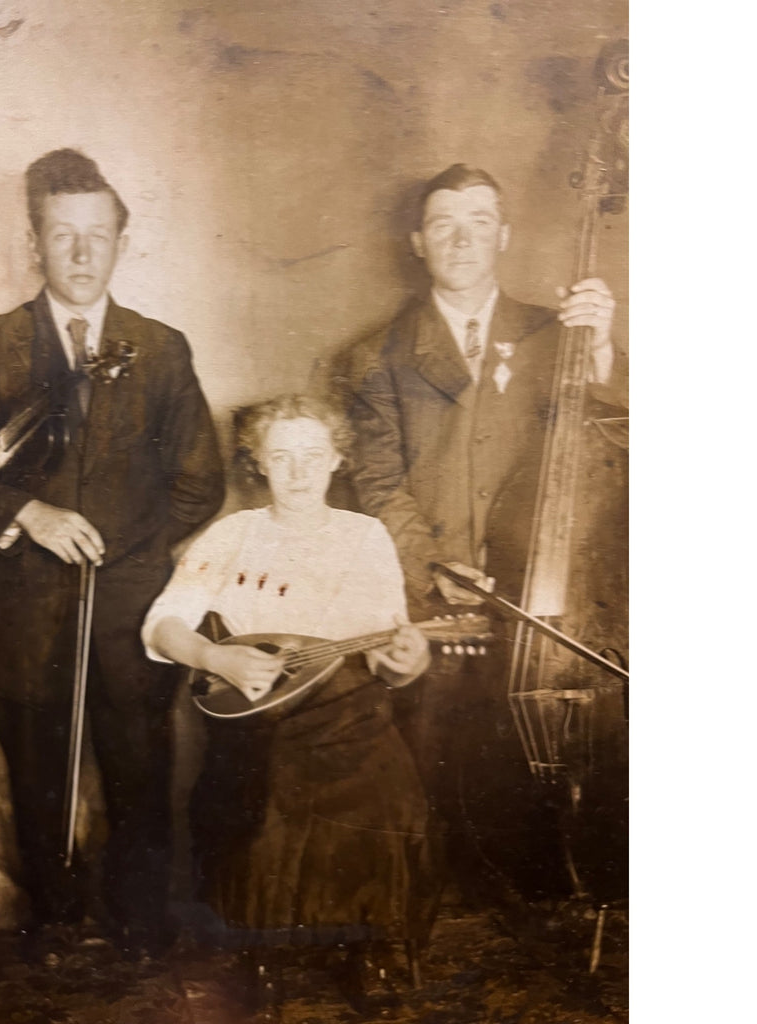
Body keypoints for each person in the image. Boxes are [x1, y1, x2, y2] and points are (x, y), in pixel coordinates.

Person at [0, 148, 225, 956]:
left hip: (129, 617)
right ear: (34, 245)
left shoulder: (162, 348)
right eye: (62, 236)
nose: (81, 254)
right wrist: (30, 514)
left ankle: (143, 937)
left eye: (97, 235)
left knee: (140, 785)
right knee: (37, 783)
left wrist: (120, 556)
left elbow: (199, 486)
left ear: (122, 242)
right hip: (22, 618)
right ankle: (56, 935)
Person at [342, 162, 624, 892]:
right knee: (442, 795)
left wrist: (600, 352)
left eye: (478, 222)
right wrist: (432, 565)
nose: (461, 239)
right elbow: (377, 484)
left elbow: (622, 443)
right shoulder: (374, 357)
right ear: (417, 241)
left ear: (504, 234)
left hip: (549, 601)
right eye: (443, 223)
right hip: (439, 598)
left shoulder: (559, 336)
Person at [141, 393, 433, 1013]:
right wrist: (218, 658)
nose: (297, 472)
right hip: (263, 713)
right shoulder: (233, 534)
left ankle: (369, 947)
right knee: (267, 795)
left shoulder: (368, 534)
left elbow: (388, 649)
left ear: (336, 461)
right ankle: (261, 955)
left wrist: (408, 663)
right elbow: (163, 624)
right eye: (281, 456)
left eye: (311, 455)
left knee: (389, 788)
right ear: (259, 465)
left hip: (352, 708)